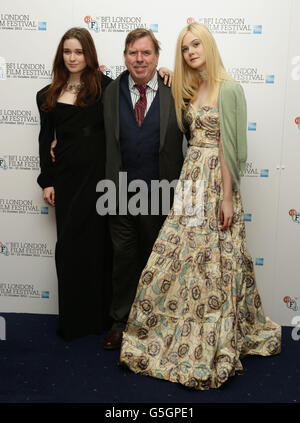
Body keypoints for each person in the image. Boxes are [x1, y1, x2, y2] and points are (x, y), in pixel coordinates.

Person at [120, 22, 281, 390]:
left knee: (215, 261)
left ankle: (213, 335)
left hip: (216, 183)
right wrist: (167, 72)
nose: (191, 51)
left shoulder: (230, 89)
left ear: (208, 44)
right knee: (180, 256)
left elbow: (231, 146)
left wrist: (226, 197)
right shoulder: (191, 88)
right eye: (185, 47)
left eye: (196, 44)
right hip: (190, 182)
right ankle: (173, 326)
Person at [102, 28, 184, 350]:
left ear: (157, 57)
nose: (139, 59)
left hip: (161, 194)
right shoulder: (111, 91)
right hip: (118, 194)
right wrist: (56, 139)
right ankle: (120, 322)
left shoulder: (174, 90)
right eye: (133, 53)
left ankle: (156, 323)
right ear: (124, 56)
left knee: (157, 262)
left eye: (146, 53)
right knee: (123, 260)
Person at [36, 27, 113, 341]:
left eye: (79, 52)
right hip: (66, 181)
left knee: (98, 247)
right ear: (60, 55)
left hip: (99, 181)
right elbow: (45, 141)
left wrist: (165, 72)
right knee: (68, 249)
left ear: (89, 55)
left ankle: (100, 319)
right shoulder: (47, 94)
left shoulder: (105, 88)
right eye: (67, 52)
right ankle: (73, 319)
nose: (72, 57)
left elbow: (139, 84)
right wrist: (47, 181)